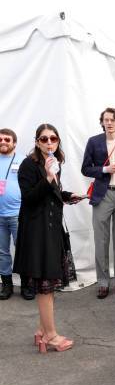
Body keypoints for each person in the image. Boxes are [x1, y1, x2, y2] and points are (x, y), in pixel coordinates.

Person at [13, 124, 82, 352]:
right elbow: (29, 198)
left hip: (51, 231)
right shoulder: (28, 165)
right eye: (44, 139)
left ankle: (42, 331)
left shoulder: (53, 163)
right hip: (37, 233)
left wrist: (68, 195)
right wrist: (50, 176)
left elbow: (51, 193)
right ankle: (51, 336)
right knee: (45, 286)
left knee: (49, 284)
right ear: (37, 141)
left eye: (53, 138)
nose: (49, 142)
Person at [81, 107, 115, 299]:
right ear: (102, 121)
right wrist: (105, 169)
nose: (109, 123)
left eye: (113, 119)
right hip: (102, 195)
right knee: (101, 240)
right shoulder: (94, 141)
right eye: (106, 119)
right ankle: (103, 282)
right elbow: (85, 169)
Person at [0, 128, 34, 300]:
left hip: (19, 214)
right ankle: (6, 285)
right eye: (0, 139)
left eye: (7, 139)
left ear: (14, 142)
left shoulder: (23, 161)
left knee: (24, 250)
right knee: (2, 252)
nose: (3, 142)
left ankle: (27, 284)